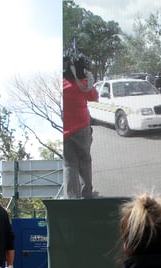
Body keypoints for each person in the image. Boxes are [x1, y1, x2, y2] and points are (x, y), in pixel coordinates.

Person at [63, 51, 99, 199]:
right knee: (84, 160)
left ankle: (73, 197)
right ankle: (87, 194)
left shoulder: (62, 85)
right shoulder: (82, 84)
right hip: (82, 128)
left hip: (65, 131)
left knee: (70, 164)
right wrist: (87, 78)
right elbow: (94, 97)